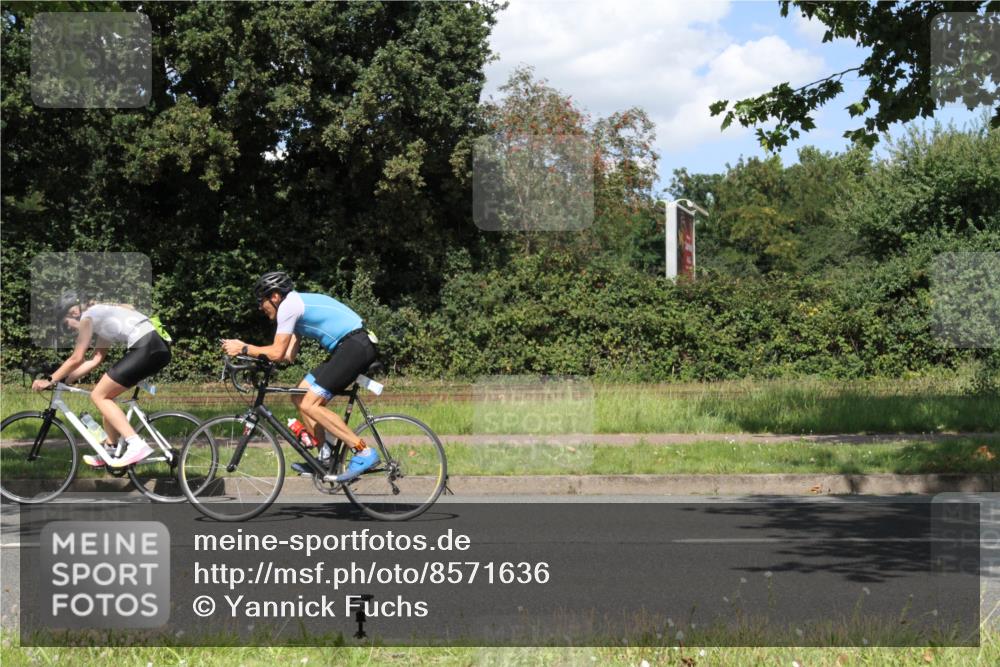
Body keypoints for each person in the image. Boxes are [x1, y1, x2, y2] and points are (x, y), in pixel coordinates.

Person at [221, 271, 379, 481]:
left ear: (275, 296)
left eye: (262, 301)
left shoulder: (289, 306)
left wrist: (244, 348)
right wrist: (255, 362)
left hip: (355, 345)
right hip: (348, 346)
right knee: (299, 395)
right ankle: (325, 456)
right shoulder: (293, 309)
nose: (261, 307)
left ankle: (363, 451)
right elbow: (286, 355)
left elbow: (276, 352)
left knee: (310, 404)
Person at [32, 293, 172, 467]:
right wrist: (65, 380)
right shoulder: (102, 315)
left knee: (99, 396)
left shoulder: (88, 317)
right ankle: (111, 449)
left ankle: (136, 444)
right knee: (106, 397)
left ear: (74, 312)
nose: (71, 329)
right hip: (156, 347)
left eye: (66, 325)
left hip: (146, 347)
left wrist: (50, 380)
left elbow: (77, 358)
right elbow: (96, 358)